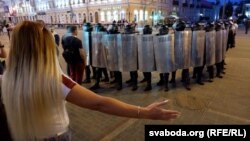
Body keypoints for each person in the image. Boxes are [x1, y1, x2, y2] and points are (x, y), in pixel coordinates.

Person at [1, 21, 180, 141]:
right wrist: (144, 112)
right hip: (54, 136)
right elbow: (99, 104)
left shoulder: (7, 77)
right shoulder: (53, 80)